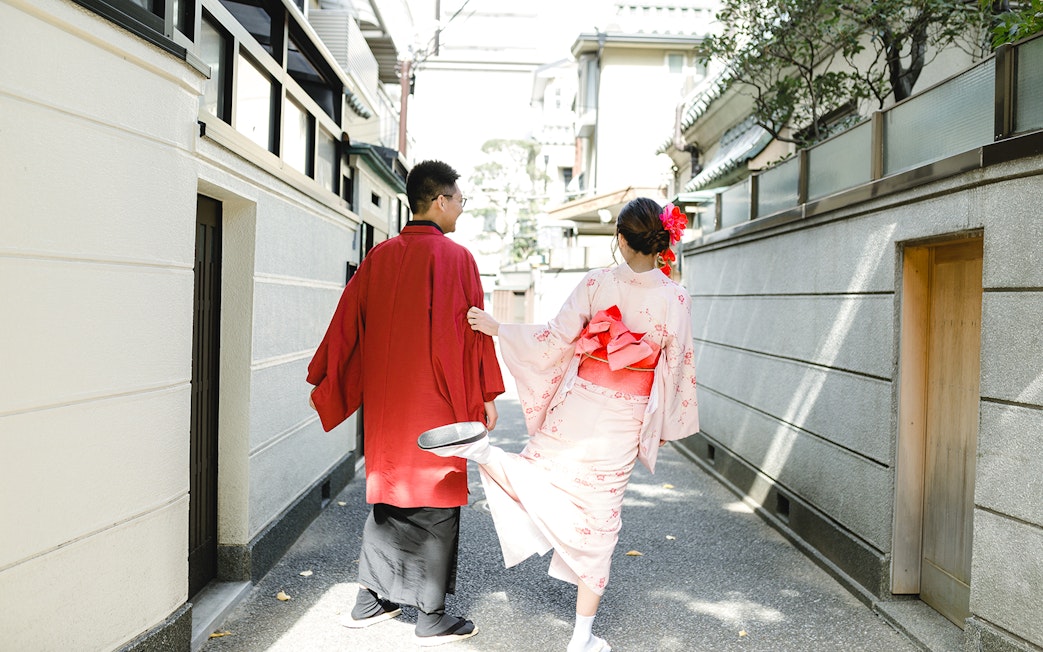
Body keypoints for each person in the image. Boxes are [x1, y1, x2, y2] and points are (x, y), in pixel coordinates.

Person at [418, 197, 700, 652]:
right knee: (600, 521)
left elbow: (553, 337)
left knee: (540, 473)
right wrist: (661, 427)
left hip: (577, 406)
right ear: (660, 242)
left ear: (622, 240)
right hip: (623, 420)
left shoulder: (596, 282)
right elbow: (679, 369)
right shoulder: (676, 298)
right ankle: (581, 638)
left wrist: (498, 329)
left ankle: (483, 452)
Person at [307, 159, 504, 646]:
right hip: (438, 402)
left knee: (390, 498)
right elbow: (474, 330)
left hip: (390, 404)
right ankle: (431, 616)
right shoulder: (457, 259)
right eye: (459, 199)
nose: (462, 207)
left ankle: (368, 601)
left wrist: (331, 378)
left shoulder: (380, 257)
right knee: (436, 502)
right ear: (440, 201)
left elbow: (347, 323)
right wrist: (484, 394)